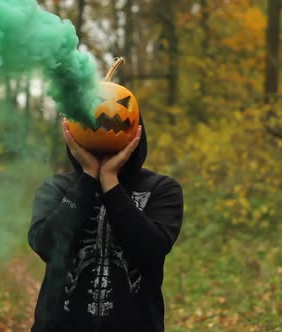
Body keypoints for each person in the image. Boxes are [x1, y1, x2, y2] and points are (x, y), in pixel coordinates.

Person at [28, 115, 184, 332]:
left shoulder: (161, 189)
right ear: (73, 132)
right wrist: (88, 178)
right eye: (92, 125)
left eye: (115, 124)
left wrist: (110, 181)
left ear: (136, 132)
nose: (102, 134)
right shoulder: (57, 188)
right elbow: (47, 246)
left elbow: (151, 249)